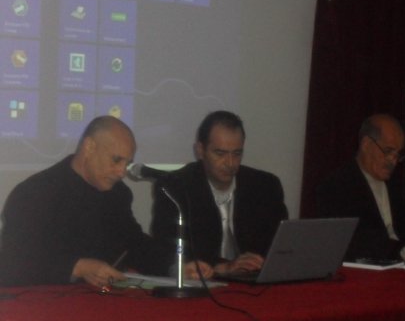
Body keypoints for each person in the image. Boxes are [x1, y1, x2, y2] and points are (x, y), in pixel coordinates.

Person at [0, 116, 184, 287]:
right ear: (89, 147)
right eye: (116, 160)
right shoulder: (34, 193)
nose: (122, 172)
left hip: (105, 301)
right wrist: (77, 267)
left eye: (127, 163)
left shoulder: (118, 194)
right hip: (44, 303)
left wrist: (175, 267)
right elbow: (14, 261)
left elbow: (134, 244)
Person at [151, 111, 288, 275]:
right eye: (220, 153)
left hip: (252, 279)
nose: (230, 163)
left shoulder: (265, 186)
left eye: (237, 153)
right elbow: (169, 249)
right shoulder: (176, 187)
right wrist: (223, 267)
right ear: (200, 150)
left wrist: (257, 262)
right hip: (205, 281)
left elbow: (281, 246)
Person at [315, 114, 405, 262]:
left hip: (401, 266)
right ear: (366, 145)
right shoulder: (337, 186)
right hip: (366, 270)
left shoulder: (393, 184)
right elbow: (353, 241)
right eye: (388, 151)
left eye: (398, 154)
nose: (393, 161)